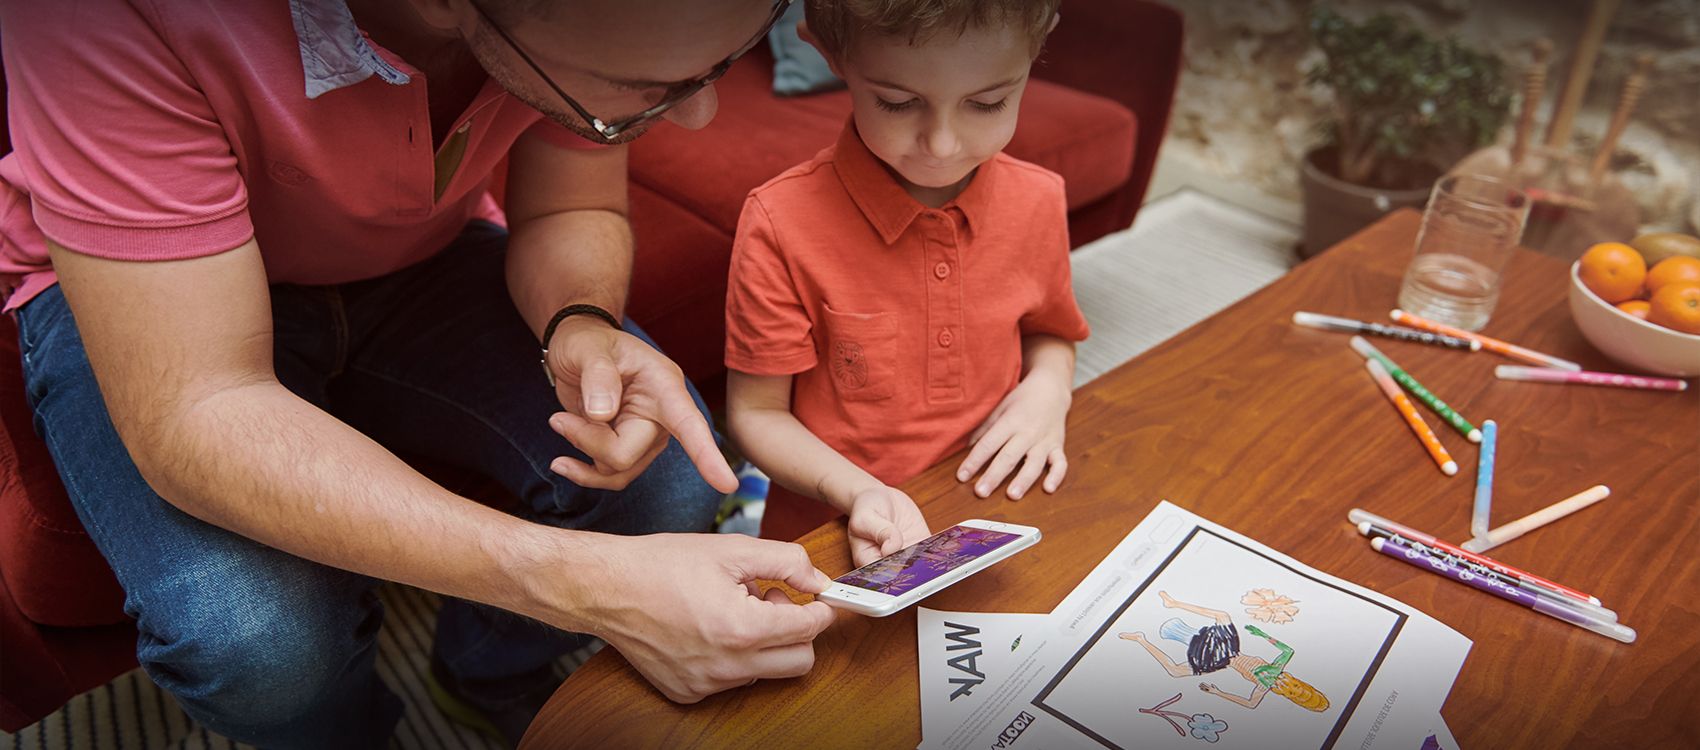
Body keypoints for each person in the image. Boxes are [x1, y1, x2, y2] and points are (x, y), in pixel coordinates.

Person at [0, 0, 839, 746]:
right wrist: (588, 590)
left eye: (721, 63)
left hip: (418, 261)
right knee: (259, 642)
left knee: (663, 486)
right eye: (647, 87)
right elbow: (205, 403)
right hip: (133, 303)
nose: (699, 114)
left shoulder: (574, 30)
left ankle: (486, 678)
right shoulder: (91, 16)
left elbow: (573, 204)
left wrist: (579, 319)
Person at [722, 0, 1087, 568]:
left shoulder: (1039, 199)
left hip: (994, 508)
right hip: (833, 528)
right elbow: (756, 414)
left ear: (1037, 50)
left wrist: (1050, 389)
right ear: (829, 54)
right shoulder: (779, 221)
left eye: (988, 102)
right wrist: (859, 492)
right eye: (897, 102)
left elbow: (1050, 332)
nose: (942, 145)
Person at [1119, 591, 1330, 712]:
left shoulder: (1262, 686)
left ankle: (1140, 639)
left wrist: (1218, 693)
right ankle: (1173, 603)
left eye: (1291, 692)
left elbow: (1250, 704)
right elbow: (1288, 650)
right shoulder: (1278, 666)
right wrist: (1262, 635)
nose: (1287, 685)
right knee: (1222, 615)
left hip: (1221, 661)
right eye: (1295, 685)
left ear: (1288, 696)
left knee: (1174, 671)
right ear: (1296, 680)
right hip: (1232, 649)